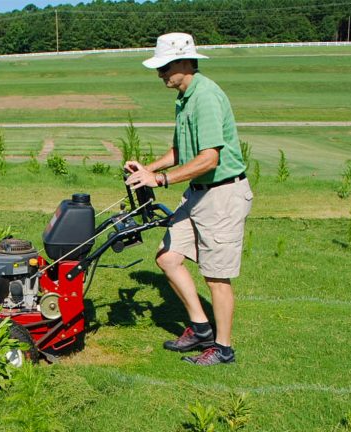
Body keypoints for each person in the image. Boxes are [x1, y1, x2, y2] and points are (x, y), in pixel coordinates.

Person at [124, 32, 253, 366]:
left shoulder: (206, 96)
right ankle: (200, 328)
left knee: (216, 276)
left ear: (184, 61)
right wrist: (147, 169)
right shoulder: (184, 98)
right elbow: (181, 151)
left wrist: (162, 179)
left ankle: (223, 348)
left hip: (222, 194)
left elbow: (209, 159)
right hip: (197, 192)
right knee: (167, 257)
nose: (160, 74)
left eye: (165, 67)